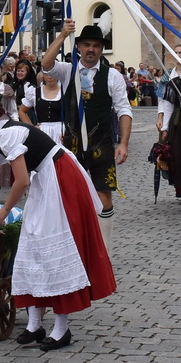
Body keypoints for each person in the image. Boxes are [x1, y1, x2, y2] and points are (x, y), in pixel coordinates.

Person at [0, 91, 116, 350]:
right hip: (46, 180)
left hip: (59, 176)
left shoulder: (8, 134)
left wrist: (5, 209)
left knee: (53, 249)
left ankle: (61, 328)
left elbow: (21, 180)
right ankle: (34, 323)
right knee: (30, 247)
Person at [39, 19, 133, 248]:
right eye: (87, 45)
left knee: (104, 195)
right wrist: (62, 35)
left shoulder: (112, 76)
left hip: (102, 142)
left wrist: (124, 144)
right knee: (71, 194)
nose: (91, 49)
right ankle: (75, 246)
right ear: (79, 47)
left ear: (101, 49)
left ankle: (104, 250)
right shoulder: (67, 69)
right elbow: (46, 64)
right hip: (72, 143)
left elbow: (124, 110)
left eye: (96, 46)